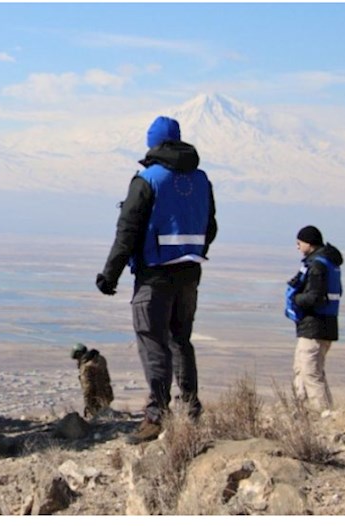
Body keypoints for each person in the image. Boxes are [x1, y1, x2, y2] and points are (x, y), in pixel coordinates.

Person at [95, 116, 217, 445]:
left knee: (153, 341)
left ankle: (155, 416)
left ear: (153, 143)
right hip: (190, 272)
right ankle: (191, 410)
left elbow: (128, 232)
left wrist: (110, 275)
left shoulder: (148, 179)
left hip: (155, 274)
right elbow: (211, 227)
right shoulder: (202, 179)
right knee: (181, 340)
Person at [284, 225, 343, 412]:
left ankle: (323, 415)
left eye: (299, 243)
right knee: (301, 369)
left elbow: (314, 297)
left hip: (315, 327)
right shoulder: (328, 263)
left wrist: (295, 299)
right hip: (320, 326)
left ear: (308, 243)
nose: (298, 247)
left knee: (311, 373)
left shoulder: (317, 265)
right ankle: (303, 412)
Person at [70, 343, 114, 418]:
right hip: (106, 395)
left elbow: (88, 388)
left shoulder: (86, 367)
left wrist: (88, 405)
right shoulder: (100, 359)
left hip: (95, 400)